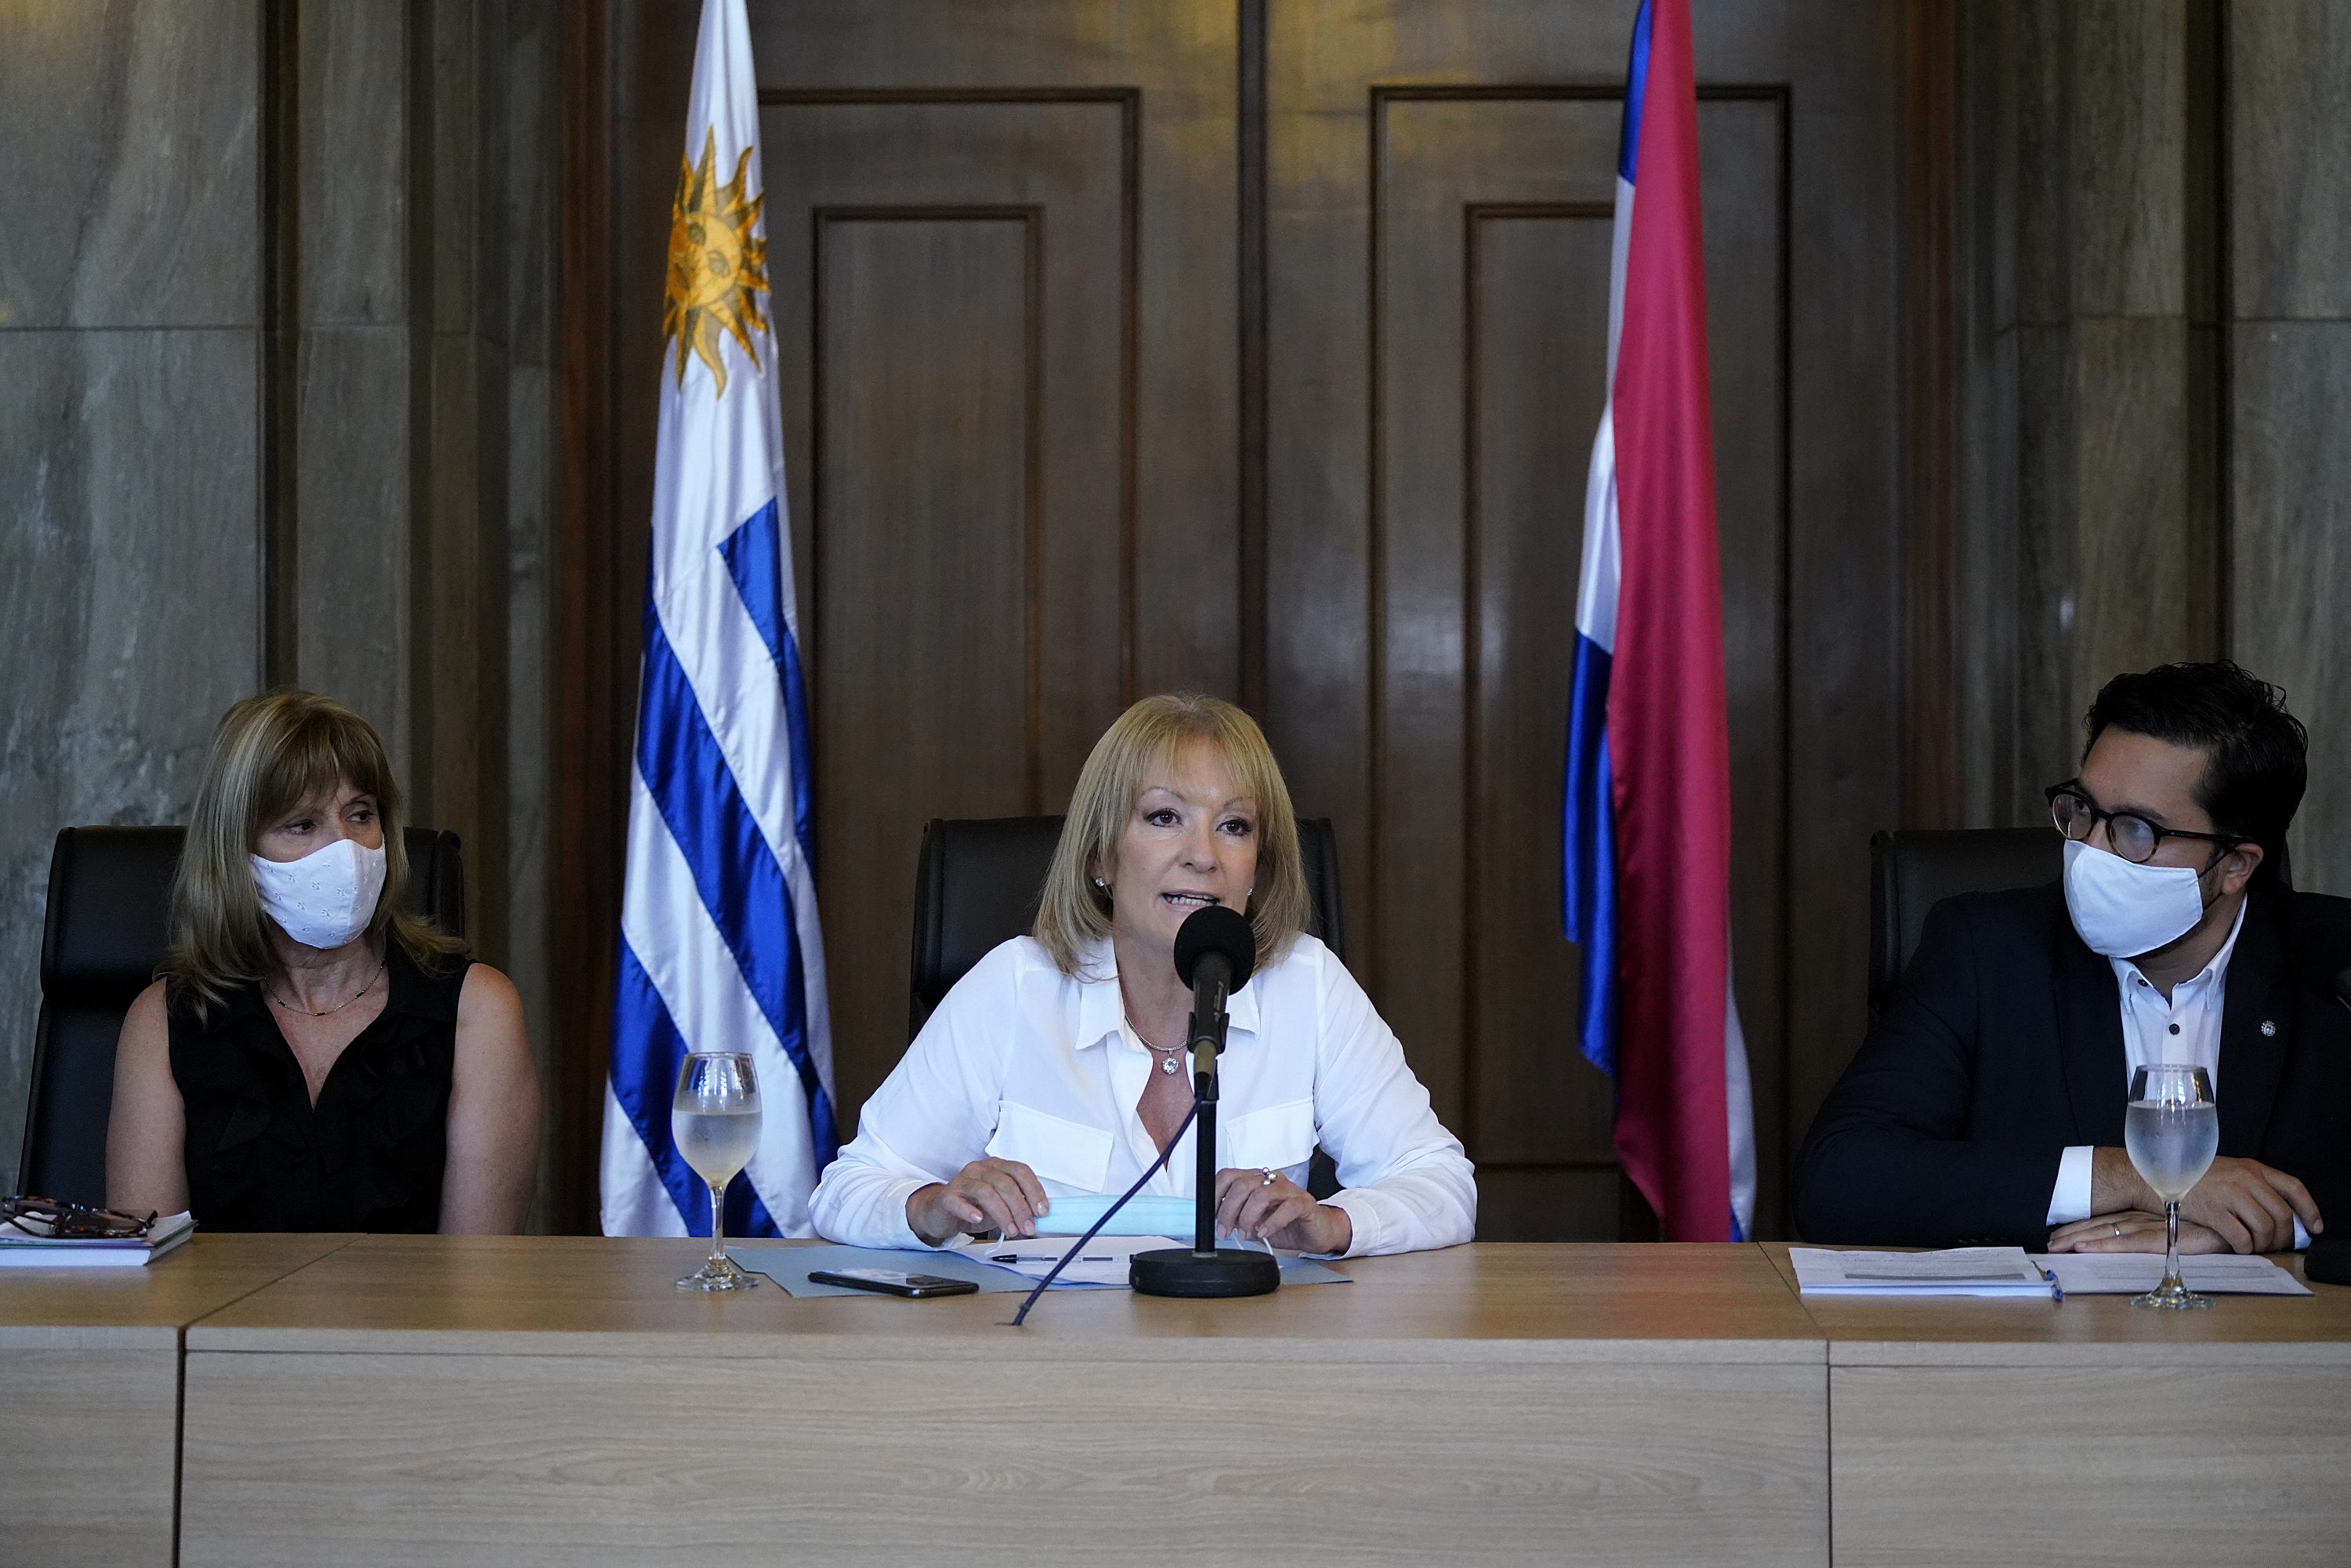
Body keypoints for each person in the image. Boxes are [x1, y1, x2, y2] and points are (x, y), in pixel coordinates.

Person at [810, 693, 1475, 1256]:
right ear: (1101, 852)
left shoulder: (1307, 984)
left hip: (1250, 1367)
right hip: (1051, 1372)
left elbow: (1442, 1183)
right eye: (1165, 817)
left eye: (1235, 826)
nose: (1203, 856)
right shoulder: (1016, 987)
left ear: (1258, 864)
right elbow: (849, 1188)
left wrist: (1333, 1223)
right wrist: (931, 1208)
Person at [1796, 661, 2349, 1255]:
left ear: (2236, 865)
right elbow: (1840, 1179)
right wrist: (2134, 1181)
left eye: (2135, 831)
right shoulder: (1987, 952)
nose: (2087, 850)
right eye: (2082, 810)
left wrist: (2239, 1227)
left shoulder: (2334, 969)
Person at [107, 691, 539, 1233]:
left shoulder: (477, 1011)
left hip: (416, 1318)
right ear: (236, 849)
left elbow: (480, 1279)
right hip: (225, 1319)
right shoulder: (166, 1021)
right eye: (302, 824)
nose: (346, 849)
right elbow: (148, 1280)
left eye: (361, 814)